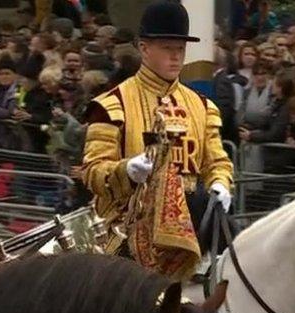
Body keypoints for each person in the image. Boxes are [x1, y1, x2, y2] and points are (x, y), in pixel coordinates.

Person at [82, 1, 233, 280]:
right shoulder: (111, 105)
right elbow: (92, 172)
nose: (176, 58)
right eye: (167, 48)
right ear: (144, 48)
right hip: (126, 226)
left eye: (180, 50)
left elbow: (216, 159)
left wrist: (221, 183)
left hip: (193, 222)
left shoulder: (202, 107)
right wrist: (125, 170)